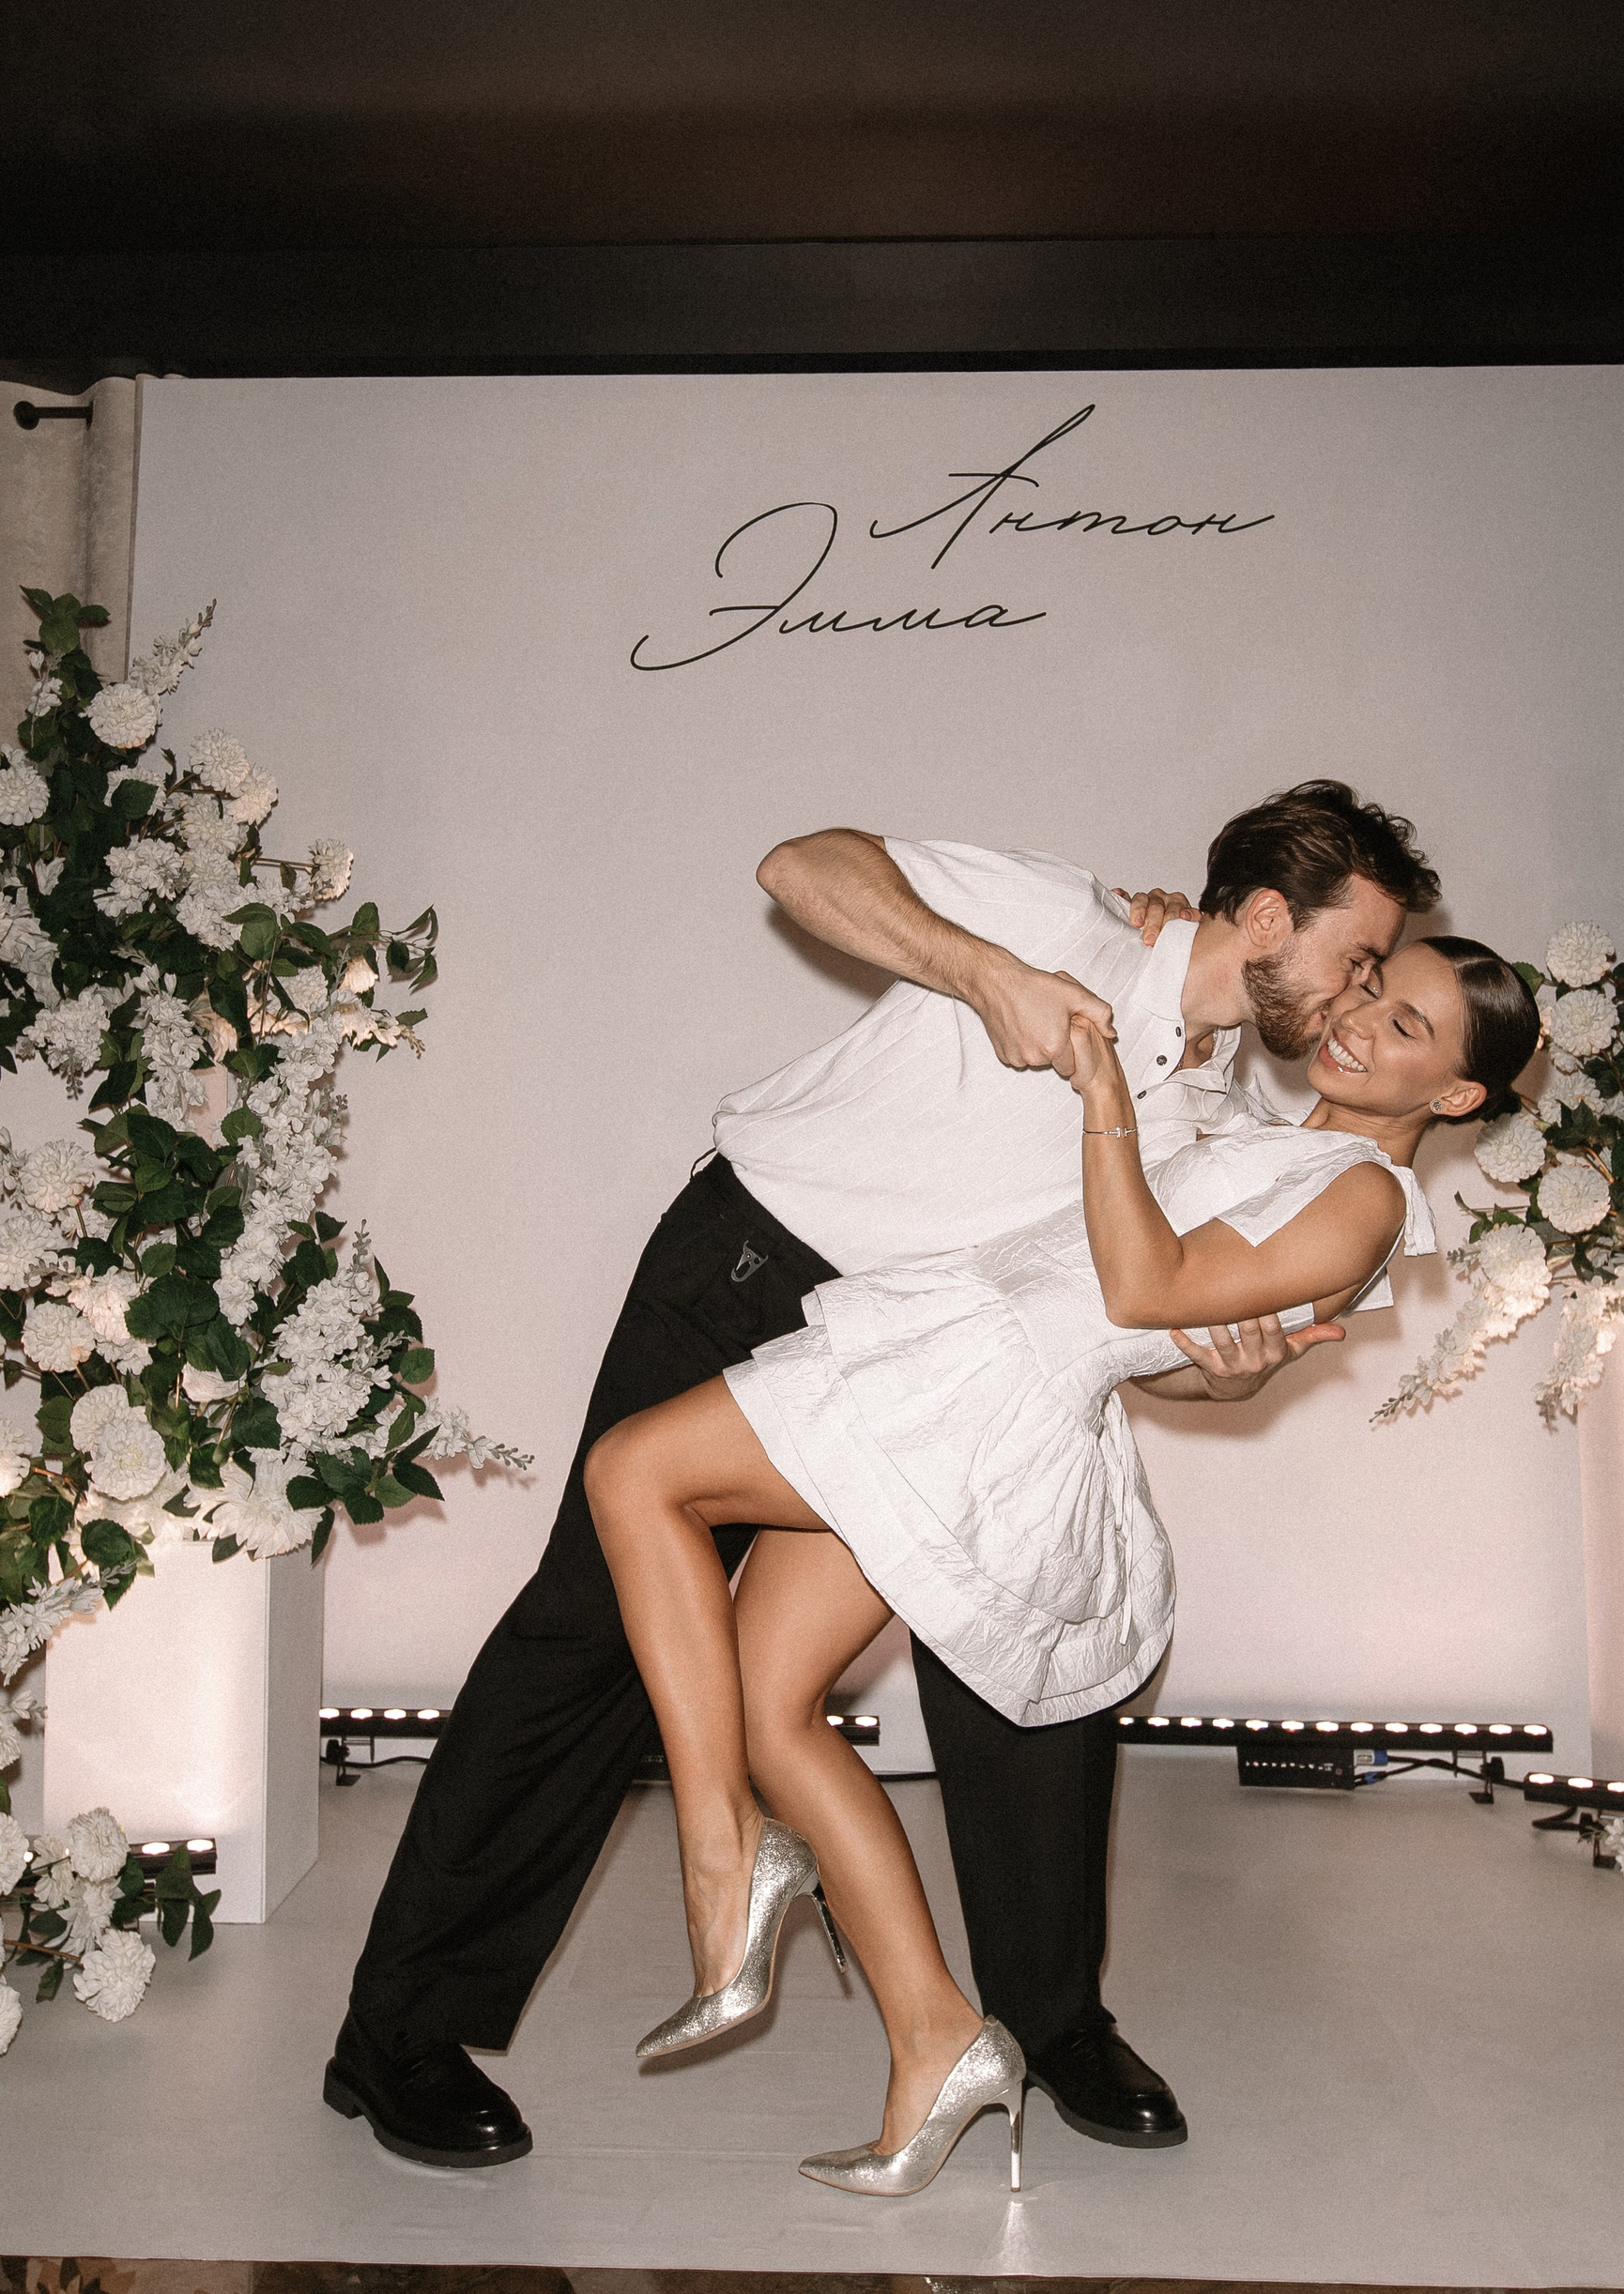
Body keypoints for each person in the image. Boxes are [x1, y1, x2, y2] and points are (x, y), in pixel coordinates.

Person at [326, 780, 1442, 2171]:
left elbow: (1110, 1301)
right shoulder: (1065, 915)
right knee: (591, 1633)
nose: (1358, 992)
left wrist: (1213, 1372)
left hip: (926, 1363)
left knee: (1025, 1657)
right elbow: (803, 865)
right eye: (1358, 957)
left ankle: (1047, 2022)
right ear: (1268, 918)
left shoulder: (1211, 1106)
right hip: (753, 1269)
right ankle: (404, 2036)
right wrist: (985, 974)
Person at [582, 936, 1542, 2196]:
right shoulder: (1275, 1136)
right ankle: (936, 2037)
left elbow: (1141, 1290)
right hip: (951, 1357)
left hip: (983, 1406)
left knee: (633, 1472)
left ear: (1458, 1094)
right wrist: (1214, 1354)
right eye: (1372, 985)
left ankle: (722, 1855)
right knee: (768, 1712)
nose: (1360, 1018)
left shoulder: (1366, 1198)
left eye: (1407, 1024)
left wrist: (1104, 1100)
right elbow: (1170, 1339)